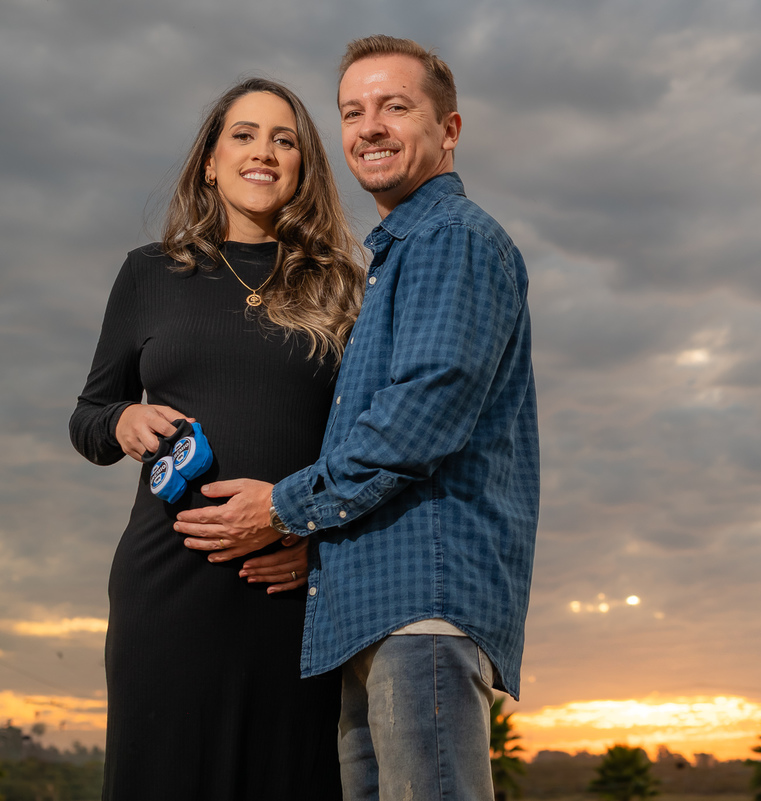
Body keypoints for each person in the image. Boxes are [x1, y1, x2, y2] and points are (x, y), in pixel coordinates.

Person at [174, 36, 539, 799]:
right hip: (370, 612)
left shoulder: (452, 239)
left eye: (395, 107)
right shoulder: (395, 257)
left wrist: (281, 508)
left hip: (421, 612)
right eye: (352, 111)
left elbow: (422, 416)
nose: (369, 126)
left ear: (449, 131)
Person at [69, 77, 363, 800]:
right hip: (166, 589)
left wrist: (315, 543)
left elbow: (366, 451)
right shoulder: (149, 273)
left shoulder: (344, 287)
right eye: (244, 134)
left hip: (288, 590)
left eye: (283, 139)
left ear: (302, 165)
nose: (263, 151)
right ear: (209, 159)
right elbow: (89, 416)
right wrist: (122, 420)